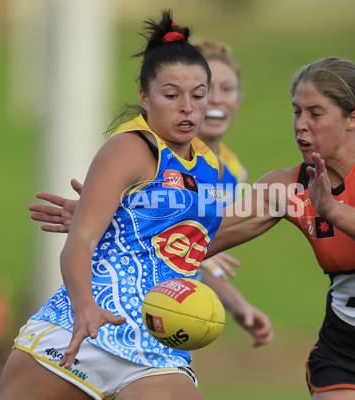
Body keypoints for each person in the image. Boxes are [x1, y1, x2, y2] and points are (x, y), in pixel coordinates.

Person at [27, 56, 355, 399]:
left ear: (353, 117)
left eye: (315, 113)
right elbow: (194, 241)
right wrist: (115, 223)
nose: (301, 125)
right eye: (296, 112)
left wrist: (333, 211)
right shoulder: (288, 187)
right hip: (349, 357)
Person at [0, 10, 247, 400]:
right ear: (145, 98)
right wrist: (84, 307)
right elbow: (80, 241)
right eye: (171, 95)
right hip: (79, 332)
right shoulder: (130, 148)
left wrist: (301, 199)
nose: (188, 107)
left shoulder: (211, 168)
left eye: (198, 95)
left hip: (155, 347)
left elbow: (184, 242)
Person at [29, 39, 274, 349]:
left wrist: (237, 304)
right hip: (105, 322)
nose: (196, 103)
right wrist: (110, 214)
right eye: (173, 94)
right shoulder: (137, 149)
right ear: (147, 97)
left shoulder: (226, 173)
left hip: (166, 325)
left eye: (222, 91)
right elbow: (161, 239)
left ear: (238, 100)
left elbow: (184, 250)